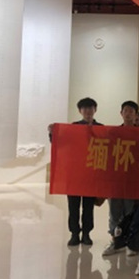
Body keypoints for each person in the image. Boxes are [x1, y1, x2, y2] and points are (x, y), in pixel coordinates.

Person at [49, 97, 102, 247]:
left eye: (90, 108)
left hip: (91, 174)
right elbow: (60, 143)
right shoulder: (74, 127)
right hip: (74, 174)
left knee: (88, 206)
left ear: (95, 110)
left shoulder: (101, 128)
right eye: (84, 108)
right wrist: (53, 133)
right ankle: (74, 234)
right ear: (80, 111)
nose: (88, 111)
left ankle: (86, 234)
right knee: (73, 206)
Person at [103, 100, 139, 256]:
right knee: (114, 212)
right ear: (121, 113)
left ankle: (129, 242)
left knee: (130, 212)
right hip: (116, 179)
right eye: (126, 111)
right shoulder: (114, 133)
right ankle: (115, 242)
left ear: (136, 115)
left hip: (132, 180)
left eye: (132, 111)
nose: (128, 114)